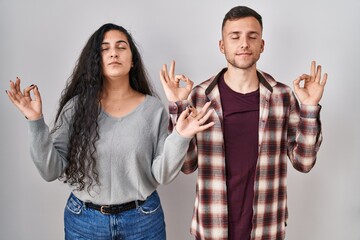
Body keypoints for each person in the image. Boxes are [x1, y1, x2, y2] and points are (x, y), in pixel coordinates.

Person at [6, 23, 214, 240]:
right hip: (84, 222)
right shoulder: (76, 107)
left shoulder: (153, 109)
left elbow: (163, 174)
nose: (113, 52)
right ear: (95, 60)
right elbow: (50, 171)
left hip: (143, 221)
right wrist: (35, 121)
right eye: (105, 48)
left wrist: (181, 136)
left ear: (132, 59)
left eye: (121, 47)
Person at [160, 6, 327, 240]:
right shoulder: (199, 96)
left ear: (262, 45)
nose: (244, 44)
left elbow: (304, 162)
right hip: (212, 226)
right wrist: (178, 106)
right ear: (222, 45)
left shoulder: (282, 96)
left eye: (252, 36)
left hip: (266, 227)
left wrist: (310, 107)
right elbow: (188, 166)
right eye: (235, 36)